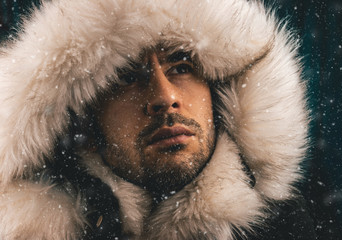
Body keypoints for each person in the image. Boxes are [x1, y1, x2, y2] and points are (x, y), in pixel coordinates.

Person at [0, 0, 317, 239]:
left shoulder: (288, 224)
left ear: (219, 95)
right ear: (82, 120)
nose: (165, 98)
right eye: (125, 77)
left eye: (181, 67)